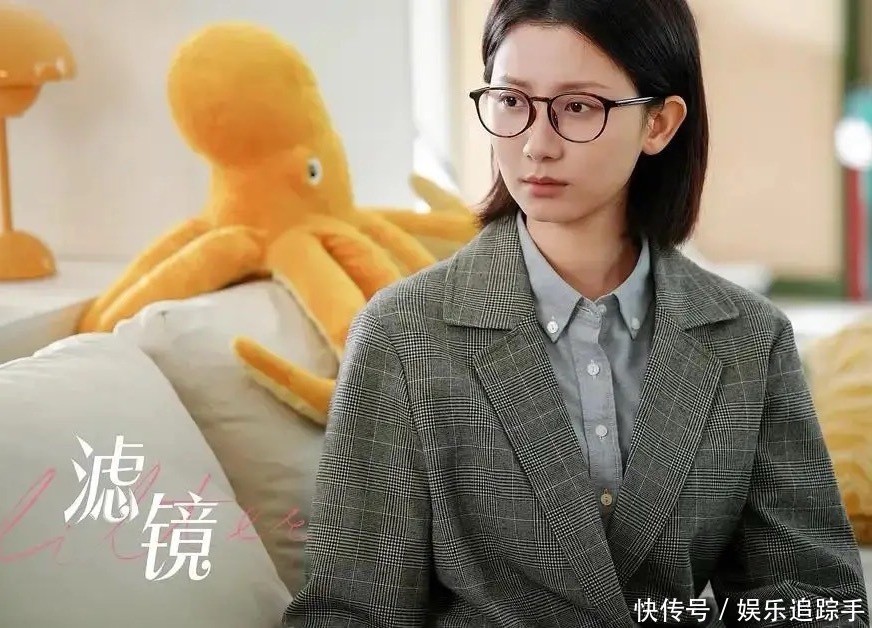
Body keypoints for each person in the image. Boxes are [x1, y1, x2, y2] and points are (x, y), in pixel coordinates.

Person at [283, 0, 870, 626]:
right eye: (511, 101)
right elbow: (353, 610)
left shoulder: (749, 339)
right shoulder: (404, 334)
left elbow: (814, 602)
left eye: (579, 107)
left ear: (659, 124)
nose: (537, 145)